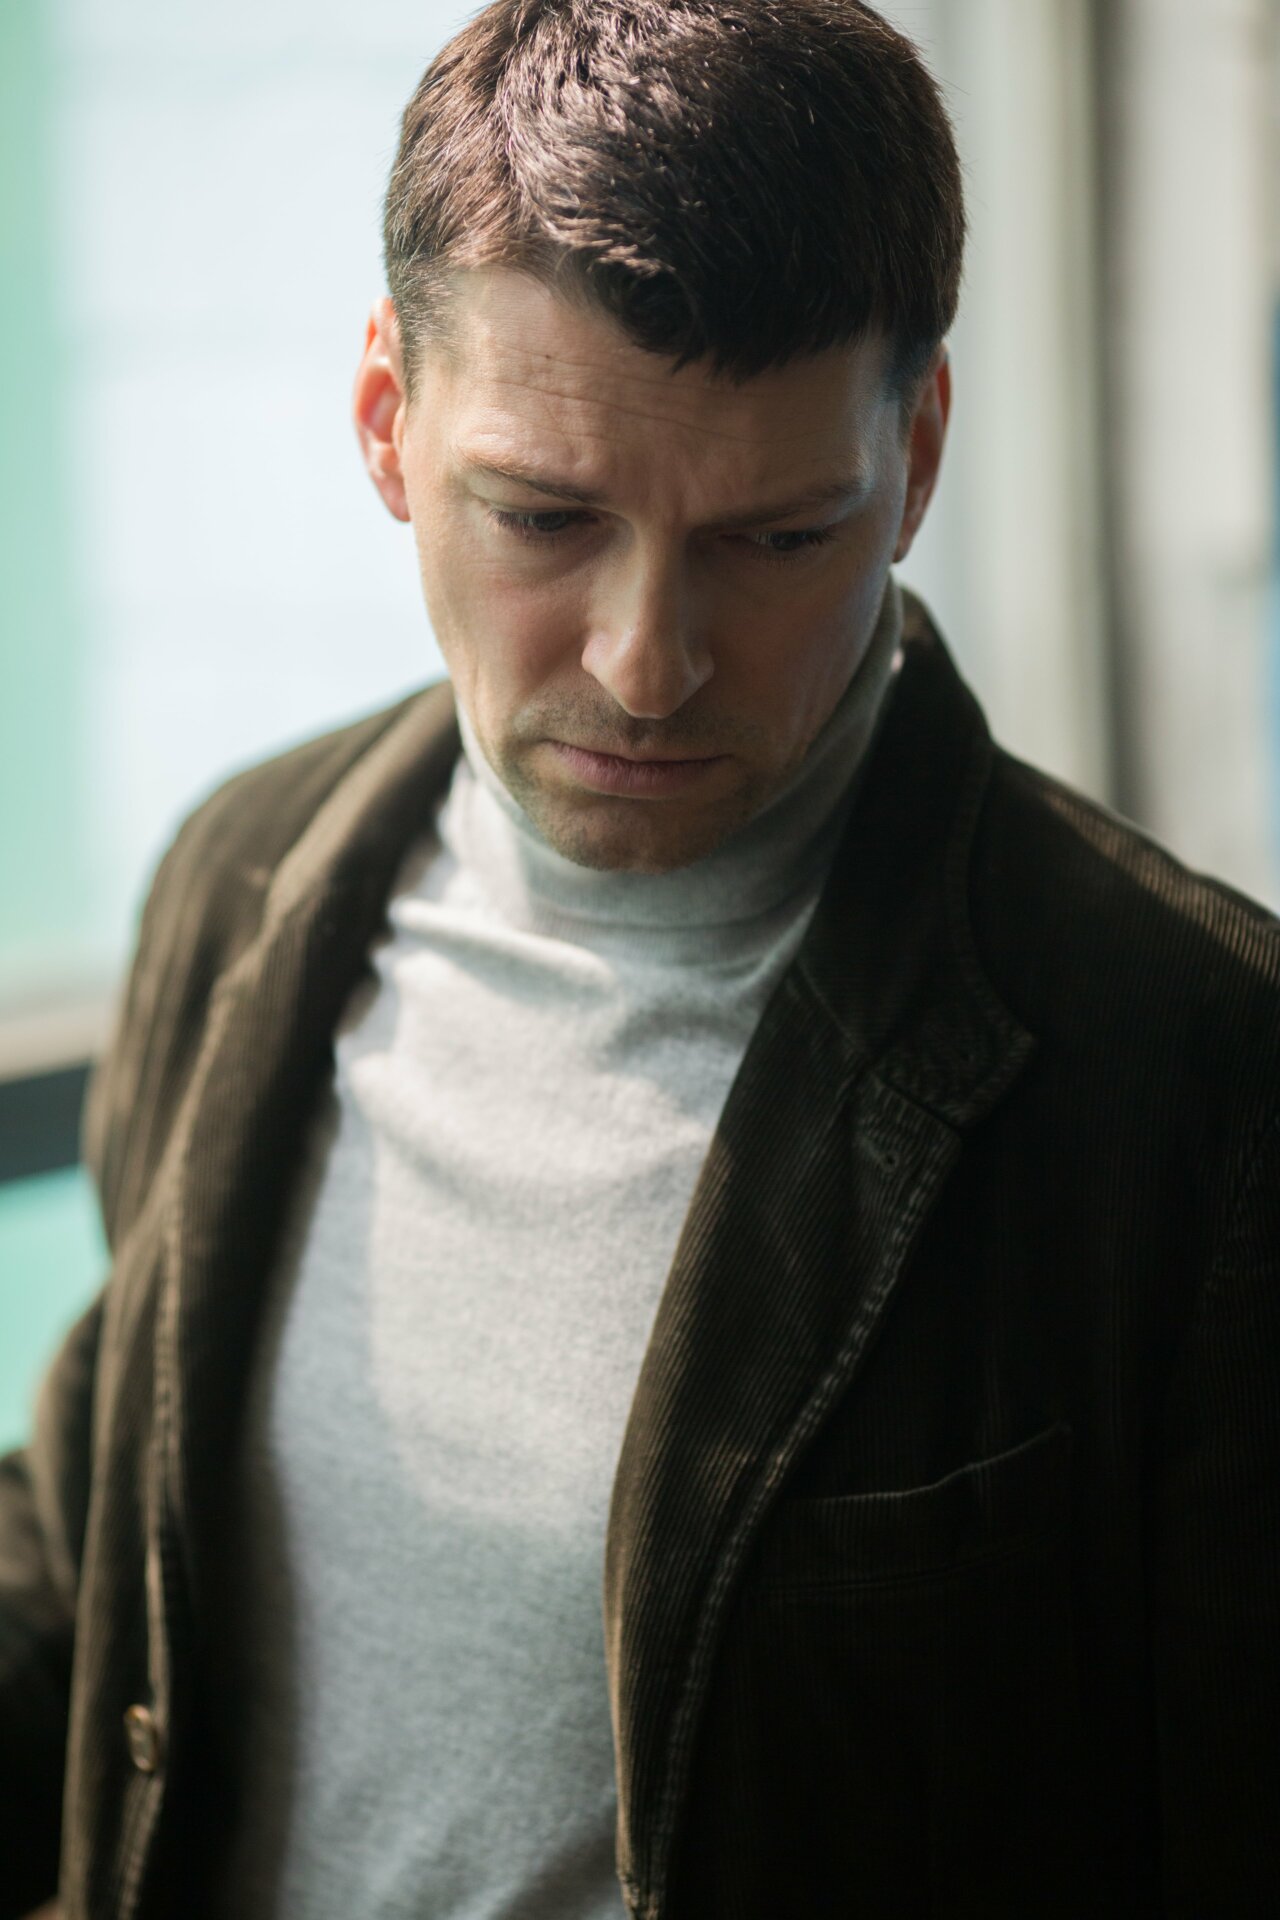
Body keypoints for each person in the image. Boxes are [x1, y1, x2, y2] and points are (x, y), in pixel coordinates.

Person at [3, 0, 1278, 1914]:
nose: (646, 662)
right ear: (386, 424)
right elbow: (101, 1546)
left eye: (778, 539)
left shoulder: (1202, 1076)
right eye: (545, 518)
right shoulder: (242, 874)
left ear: (918, 456)